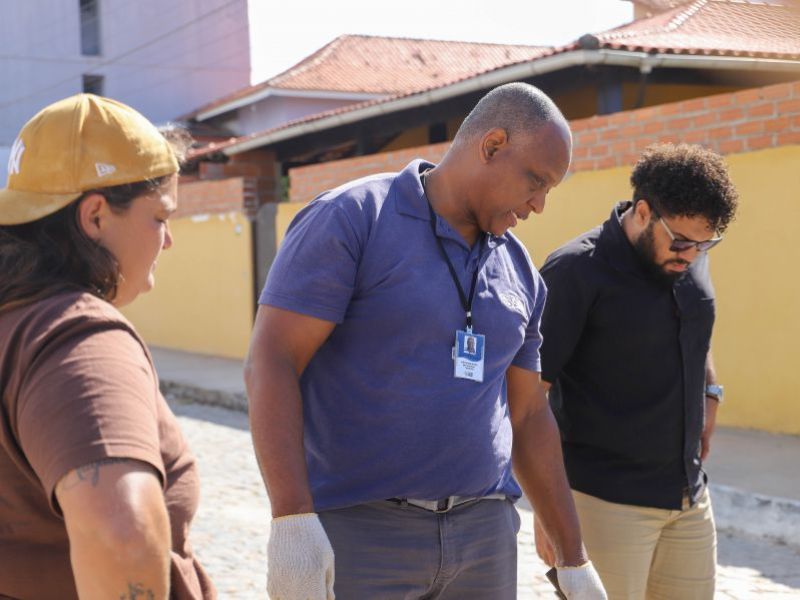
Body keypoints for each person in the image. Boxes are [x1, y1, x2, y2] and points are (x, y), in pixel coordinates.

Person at [245, 82, 607, 599]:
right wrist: (292, 520)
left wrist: (573, 559)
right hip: (362, 533)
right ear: (492, 145)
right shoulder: (354, 219)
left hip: (484, 538)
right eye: (536, 181)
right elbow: (272, 359)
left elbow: (528, 414)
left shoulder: (520, 269)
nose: (539, 205)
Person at [0, 94, 215, 599]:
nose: (167, 243)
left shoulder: (14, 316)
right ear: (95, 216)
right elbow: (120, 535)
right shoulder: (75, 335)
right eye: (160, 218)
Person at [534, 143, 739, 599]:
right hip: (603, 503)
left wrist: (711, 393)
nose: (691, 255)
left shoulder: (688, 255)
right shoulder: (575, 272)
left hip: (688, 497)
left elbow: (695, 326)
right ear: (643, 212)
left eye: (705, 244)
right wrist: (552, 515)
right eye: (682, 242)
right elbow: (529, 398)